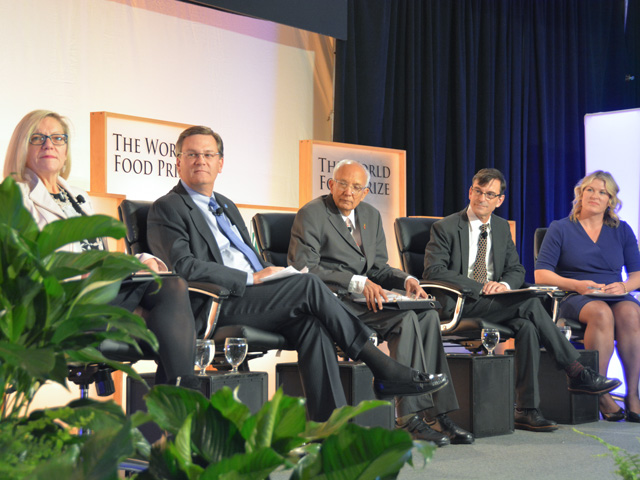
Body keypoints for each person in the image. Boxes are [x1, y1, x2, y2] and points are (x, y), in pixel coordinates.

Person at [145, 125, 448, 422]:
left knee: (312, 323)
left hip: (254, 296)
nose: (201, 161)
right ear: (178, 162)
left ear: (220, 163)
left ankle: (329, 427)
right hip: (218, 301)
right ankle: (381, 366)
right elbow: (183, 266)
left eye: (209, 155)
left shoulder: (226, 205)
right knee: (307, 284)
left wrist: (267, 273)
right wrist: (252, 278)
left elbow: (245, 255)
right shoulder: (167, 208)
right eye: (192, 154)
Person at [3, 109, 198, 387]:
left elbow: (97, 253)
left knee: (170, 284)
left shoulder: (78, 197)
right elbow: (19, 266)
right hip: (57, 304)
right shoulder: (13, 195)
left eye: (58, 138)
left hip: (97, 291)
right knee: (167, 312)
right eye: (38, 138)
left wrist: (140, 261)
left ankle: (178, 403)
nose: (49, 144)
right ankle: (181, 409)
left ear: (66, 149)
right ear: (23, 146)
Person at [288, 159, 472, 446]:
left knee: (426, 315)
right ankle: (408, 418)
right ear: (331, 184)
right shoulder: (312, 214)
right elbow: (304, 269)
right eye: (343, 184)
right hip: (332, 303)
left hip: (364, 302)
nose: (349, 192)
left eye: (357, 187)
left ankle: (437, 414)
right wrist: (355, 281)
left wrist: (405, 279)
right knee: (407, 320)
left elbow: (378, 268)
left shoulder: (370, 216)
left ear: (365, 192)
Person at [423, 167, 621, 432]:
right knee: (529, 305)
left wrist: (503, 285)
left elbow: (516, 270)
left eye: (490, 194)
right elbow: (433, 271)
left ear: (499, 200)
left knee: (527, 325)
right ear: (470, 192)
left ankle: (526, 410)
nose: (482, 198)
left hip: (496, 302)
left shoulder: (502, 227)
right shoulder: (445, 226)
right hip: (461, 303)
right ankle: (576, 371)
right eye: (478, 192)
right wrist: (480, 288)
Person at [535, 171, 640, 423]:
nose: (595, 195)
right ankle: (599, 391)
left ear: (610, 201)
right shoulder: (560, 228)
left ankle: (633, 394)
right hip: (573, 295)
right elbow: (541, 274)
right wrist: (577, 285)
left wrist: (624, 287)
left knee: (631, 312)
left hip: (613, 294)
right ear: (580, 195)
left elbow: (637, 274)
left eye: (603, 192)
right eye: (590, 190)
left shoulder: (622, 230)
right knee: (601, 311)